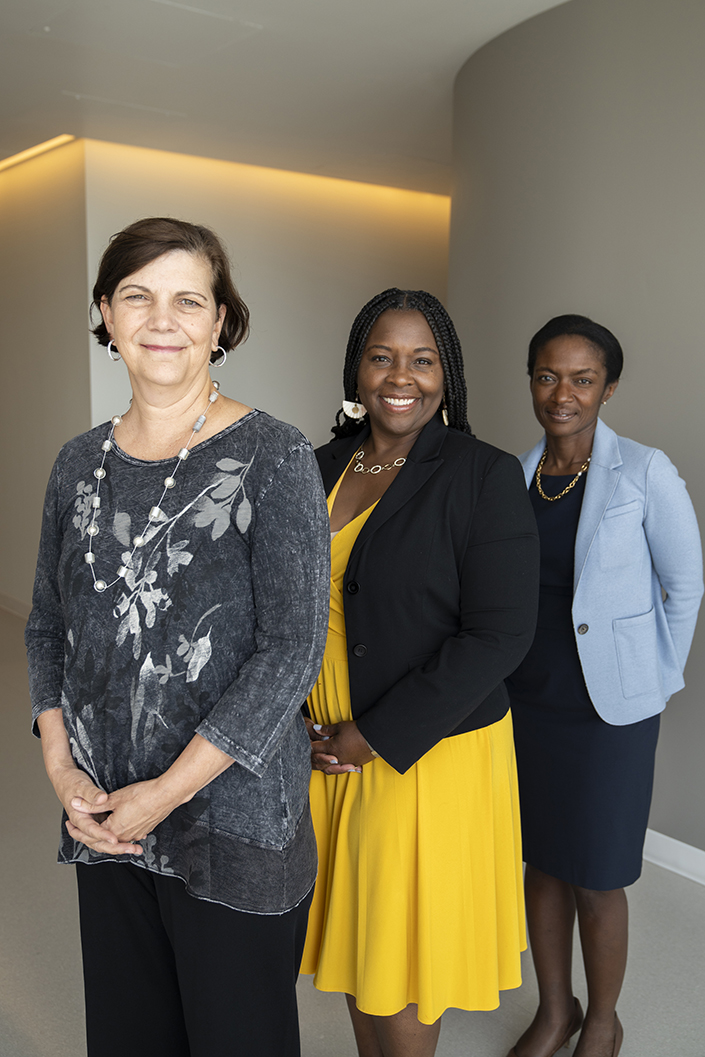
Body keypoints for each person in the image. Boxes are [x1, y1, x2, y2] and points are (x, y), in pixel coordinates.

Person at [25, 217, 330, 1057]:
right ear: (108, 315)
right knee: (130, 1036)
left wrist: (164, 793)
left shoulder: (274, 454)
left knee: (238, 1038)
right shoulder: (76, 462)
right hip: (104, 814)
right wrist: (61, 768)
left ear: (221, 322)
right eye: (138, 297)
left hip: (230, 818)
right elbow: (48, 623)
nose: (163, 319)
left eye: (187, 300)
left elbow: (293, 648)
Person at [299, 288, 540, 1057]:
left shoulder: (481, 474)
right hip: (321, 750)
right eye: (381, 356)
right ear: (356, 369)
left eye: (421, 359)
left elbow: (499, 635)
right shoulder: (317, 465)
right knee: (356, 952)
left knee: (400, 969)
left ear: (447, 374)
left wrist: (372, 734)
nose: (400, 376)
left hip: (420, 756)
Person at [505, 315, 703, 1057]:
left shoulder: (644, 471)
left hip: (609, 710)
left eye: (581, 379)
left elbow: (685, 586)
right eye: (547, 376)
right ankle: (554, 1009)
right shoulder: (514, 476)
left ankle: (603, 1019)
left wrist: (652, 679)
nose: (562, 394)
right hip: (526, 699)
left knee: (597, 871)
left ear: (607, 388)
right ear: (530, 380)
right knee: (543, 861)